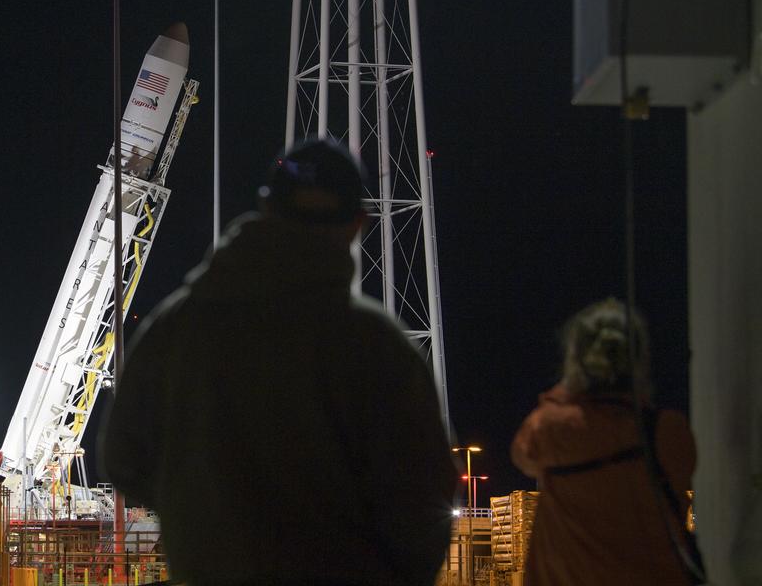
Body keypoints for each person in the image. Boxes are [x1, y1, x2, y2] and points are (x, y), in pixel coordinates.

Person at [102, 138, 457, 585]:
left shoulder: (176, 326)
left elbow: (123, 457)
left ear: (267, 207)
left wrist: (204, 519)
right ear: (357, 224)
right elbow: (423, 500)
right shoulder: (375, 345)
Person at [512, 298, 698, 585]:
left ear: (575, 358)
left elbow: (522, 456)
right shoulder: (667, 431)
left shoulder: (549, 428)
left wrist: (571, 388)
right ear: (639, 358)